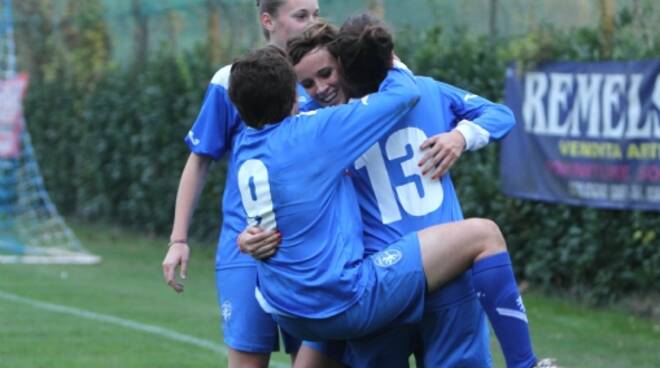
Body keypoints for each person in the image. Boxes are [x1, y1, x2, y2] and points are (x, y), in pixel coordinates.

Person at [228, 40, 554, 368]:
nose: (320, 88)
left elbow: (499, 114)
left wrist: (460, 136)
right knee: (484, 235)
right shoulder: (323, 123)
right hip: (371, 284)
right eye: (307, 84)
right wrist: (390, 60)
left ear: (345, 64)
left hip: (360, 289)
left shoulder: (263, 138)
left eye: (326, 74)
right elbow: (402, 94)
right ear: (293, 93)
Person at [161, 1, 319, 367]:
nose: (312, 24)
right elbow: (200, 159)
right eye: (301, 16)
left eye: (316, 13)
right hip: (245, 249)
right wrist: (178, 239)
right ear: (268, 21)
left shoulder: (327, 76)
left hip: (313, 253)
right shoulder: (231, 80)